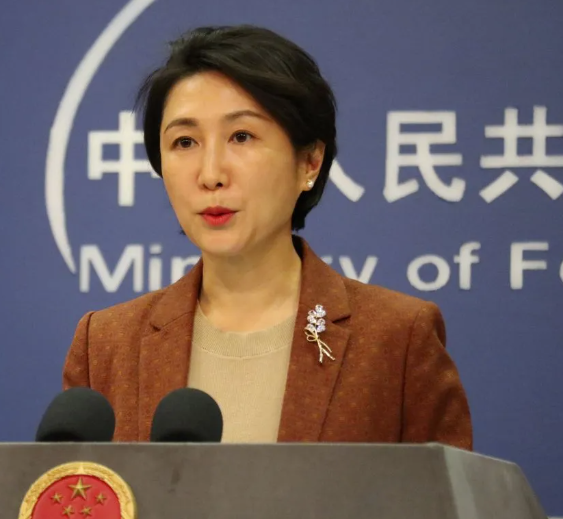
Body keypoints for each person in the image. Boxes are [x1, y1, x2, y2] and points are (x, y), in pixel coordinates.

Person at [62, 25, 472, 449]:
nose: (211, 174)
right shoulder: (107, 345)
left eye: (242, 136)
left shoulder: (397, 339)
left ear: (309, 162)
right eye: (185, 142)